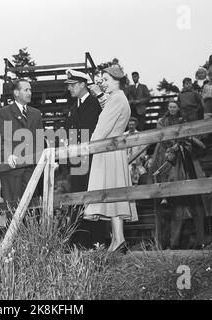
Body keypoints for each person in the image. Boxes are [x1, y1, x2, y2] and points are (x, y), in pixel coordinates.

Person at [148, 100, 212, 249]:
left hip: (189, 167)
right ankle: (174, 243)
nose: (173, 108)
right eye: (170, 106)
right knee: (178, 210)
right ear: (168, 108)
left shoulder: (184, 122)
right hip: (174, 166)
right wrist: (174, 145)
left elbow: (199, 144)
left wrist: (185, 140)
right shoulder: (163, 122)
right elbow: (163, 140)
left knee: (197, 207)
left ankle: (201, 241)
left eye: (175, 106)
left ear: (178, 108)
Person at [85, 65, 138, 253]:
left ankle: (118, 239)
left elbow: (102, 127)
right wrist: (100, 93)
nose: (103, 83)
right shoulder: (118, 98)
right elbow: (106, 107)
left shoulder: (117, 99)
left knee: (113, 193)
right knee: (114, 194)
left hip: (108, 150)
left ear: (117, 81)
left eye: (106, 80)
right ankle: (118, 238)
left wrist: (89, 145)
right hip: (113, 151)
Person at [0, 79, 43, 203]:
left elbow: (39, 141)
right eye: (26, 90)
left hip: (31, 169)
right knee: (13, 210)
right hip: (11, 169)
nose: (30, 93)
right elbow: (0, 138)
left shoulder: (36, 114)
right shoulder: (4, 113)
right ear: (16, 92)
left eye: (30, 90)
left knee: (31, 209)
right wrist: (7, 155)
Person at [63, 69, 101, 192]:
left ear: (83, 84)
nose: (69, 88)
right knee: (77, 195)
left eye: (72, 85)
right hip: (76, 160)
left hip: (94, 159)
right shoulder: (72, 108)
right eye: (68, 85)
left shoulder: (97, 103)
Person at [125, 117, 147, 185]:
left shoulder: (139, 135)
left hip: (137, 162)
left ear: (136, 125)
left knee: (140, 177)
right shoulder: (124, 135)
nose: (131, 126)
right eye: (130, 125)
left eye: (133, 125)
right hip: (126, 161)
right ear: (128, 125)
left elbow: (143, 148)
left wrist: (142, 156)